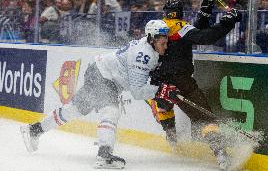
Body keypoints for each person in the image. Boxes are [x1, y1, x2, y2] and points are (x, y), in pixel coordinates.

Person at [20, 20, 170, 169]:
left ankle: (34, 130)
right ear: (151, 39)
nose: (166, 46)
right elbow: (137, 91)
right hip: (104, 77)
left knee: (75, 109)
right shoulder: (145, 55)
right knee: (111, 111)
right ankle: (104, 155)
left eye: (166, 42)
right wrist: (161, 90)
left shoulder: (146, 43)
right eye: (162, 43)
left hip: (98, 71)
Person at [146, 0, 242, 170]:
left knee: (163, 108)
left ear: (165, 13)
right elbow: (204, 37)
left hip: (157, 82)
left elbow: (190, 35)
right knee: (205, 118)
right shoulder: (181, 27)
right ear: (181, 14)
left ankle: (173, 140)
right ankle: (220, 153)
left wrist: (204, 13)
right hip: (182, 82)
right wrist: (228, 22)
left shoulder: (157, 27)